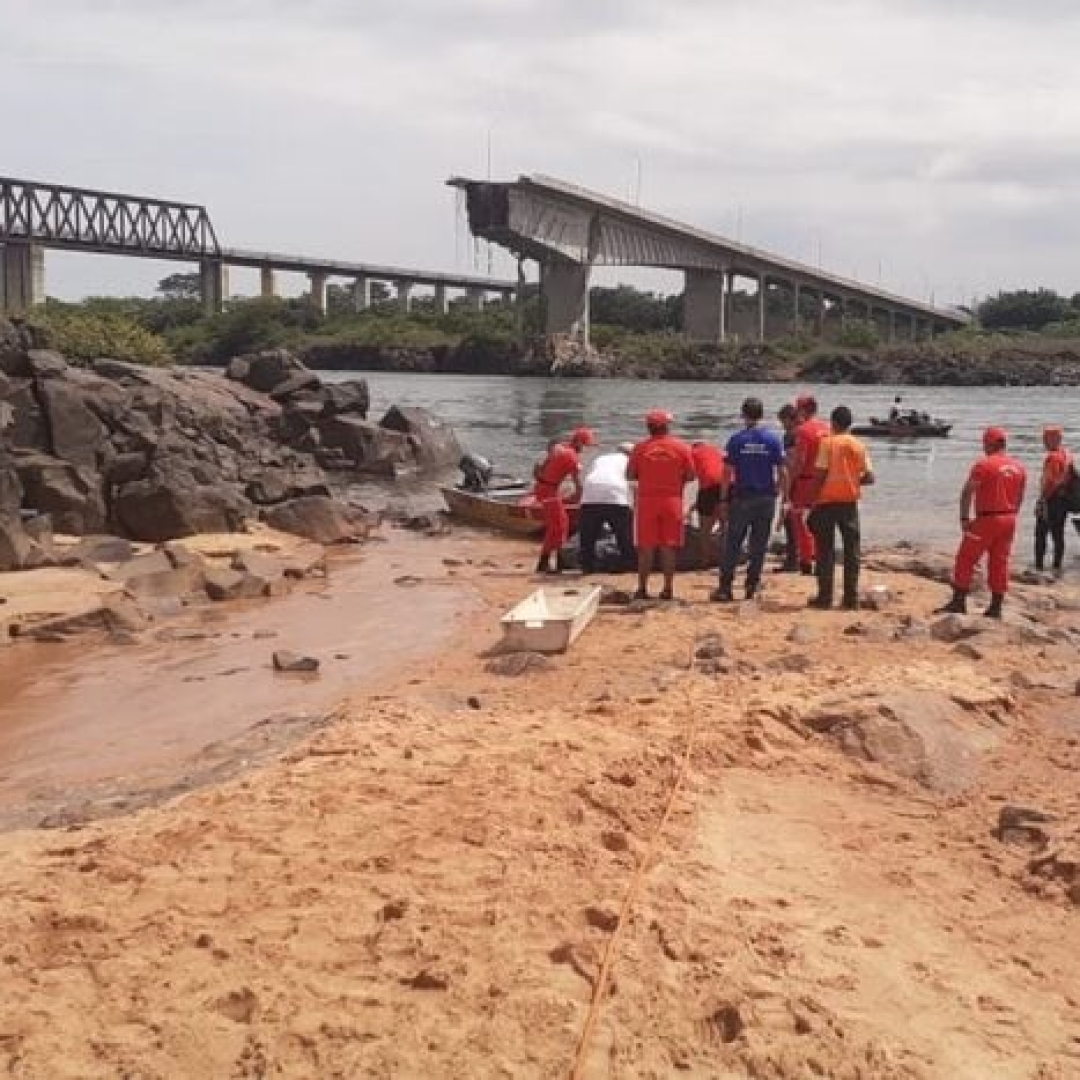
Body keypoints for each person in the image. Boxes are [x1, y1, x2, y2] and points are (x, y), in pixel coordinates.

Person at [939, 427, 1027, 619]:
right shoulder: (1019, 467)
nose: (983, 447)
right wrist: (1012, 514)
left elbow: (967, 492)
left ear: (991, 443)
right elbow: (1020, 496)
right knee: (1000, 561)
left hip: (987, 518)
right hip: (1009, 517)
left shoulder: (984, 465)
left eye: (985, 443)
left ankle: (959, 601)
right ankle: (995, 607)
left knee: (966, 557)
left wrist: (964, 518)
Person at [713, 397, 787, 602]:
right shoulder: (773, 439)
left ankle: (725, 587)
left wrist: (723, 499)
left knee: (733, 543)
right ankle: (752, 586)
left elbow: (727, 472)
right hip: (766, 498)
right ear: (761, 415)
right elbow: (783, 471)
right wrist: (780, 492)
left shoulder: (737, 439)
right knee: (759, 544)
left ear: (743, 415)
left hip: (743, 497)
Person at [806, 406, 875, 610]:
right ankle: (851, 598)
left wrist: (812, 500)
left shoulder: (828, 443)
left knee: (825, 550)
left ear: (833, 423)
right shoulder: (858, 445)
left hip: (826, 502)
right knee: (851, 551)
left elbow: (819, 475)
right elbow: (870, 477)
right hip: (849, 503)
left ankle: (825, 597)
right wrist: (852, 481)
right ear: (850, 423)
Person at [626, 410, 695, 600]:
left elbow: (630, 475)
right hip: (672, 500)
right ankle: (667, 589)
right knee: (669, 547)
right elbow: (691, 475)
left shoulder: (640, 448)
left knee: (646, 547)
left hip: (647, 501)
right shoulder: (681, 447)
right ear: (667, 426)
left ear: (648, 427)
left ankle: (642, 589)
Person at [532, 426, 596, 574]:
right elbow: (578, 483)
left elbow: (538, 466)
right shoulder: (572, 457)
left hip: (545, 488)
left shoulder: (560, 447)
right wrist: (581, 498)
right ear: (579, 443)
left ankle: (556, 562)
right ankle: (547, 563)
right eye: (586, 446)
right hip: (549, 491)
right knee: (558, 527)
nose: (586, 450)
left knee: (562, 524)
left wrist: (544, 479)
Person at [787, 394, 830, 576]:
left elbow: (800, 460)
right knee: (822, 521)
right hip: (825, 480)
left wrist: (790, 482)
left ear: (801, 409)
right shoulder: (827, 428)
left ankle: (806, 560)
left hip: (805, 480)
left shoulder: (802, 431)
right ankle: (821, 557)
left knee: (799, 520)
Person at [579, 442, 636, 574]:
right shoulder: (629, 461)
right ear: (631, 454)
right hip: (615, 495)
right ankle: (627, 563)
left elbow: (590, 475)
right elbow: (633, 483)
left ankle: (586, 565)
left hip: (590, 495)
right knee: (624, 533)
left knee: (588, 535)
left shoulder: (601, 458)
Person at [1035, 425, 1072, 574]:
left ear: (1055, 438)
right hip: (1063, 500)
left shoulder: (1053, 457)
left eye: (1046, 438)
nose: (1043, 441)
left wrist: (1042, 500)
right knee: (1058, 535)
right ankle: (1057, 567)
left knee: (1040, 534)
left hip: (1052, 500)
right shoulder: (1067, 454)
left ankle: (1038, 567)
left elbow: (1051, 481)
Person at [691, 439, 727, 567]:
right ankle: (726, 558)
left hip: (709, 487)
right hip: (729, 485)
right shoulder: (717, 451)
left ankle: (704, 560)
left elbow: (694, 477)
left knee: (705, 529)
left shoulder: (692, 452)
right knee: (725, 526)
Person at [775, 404, 800, 572]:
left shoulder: (791, 437)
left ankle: (792, 560)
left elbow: (789, 465)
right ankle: (798, 556)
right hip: (804, 482)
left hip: (794, 483)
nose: (782, 425)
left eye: (783, 421)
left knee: (790, 520)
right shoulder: (801, 434)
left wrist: (782, 488)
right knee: (797, 521)